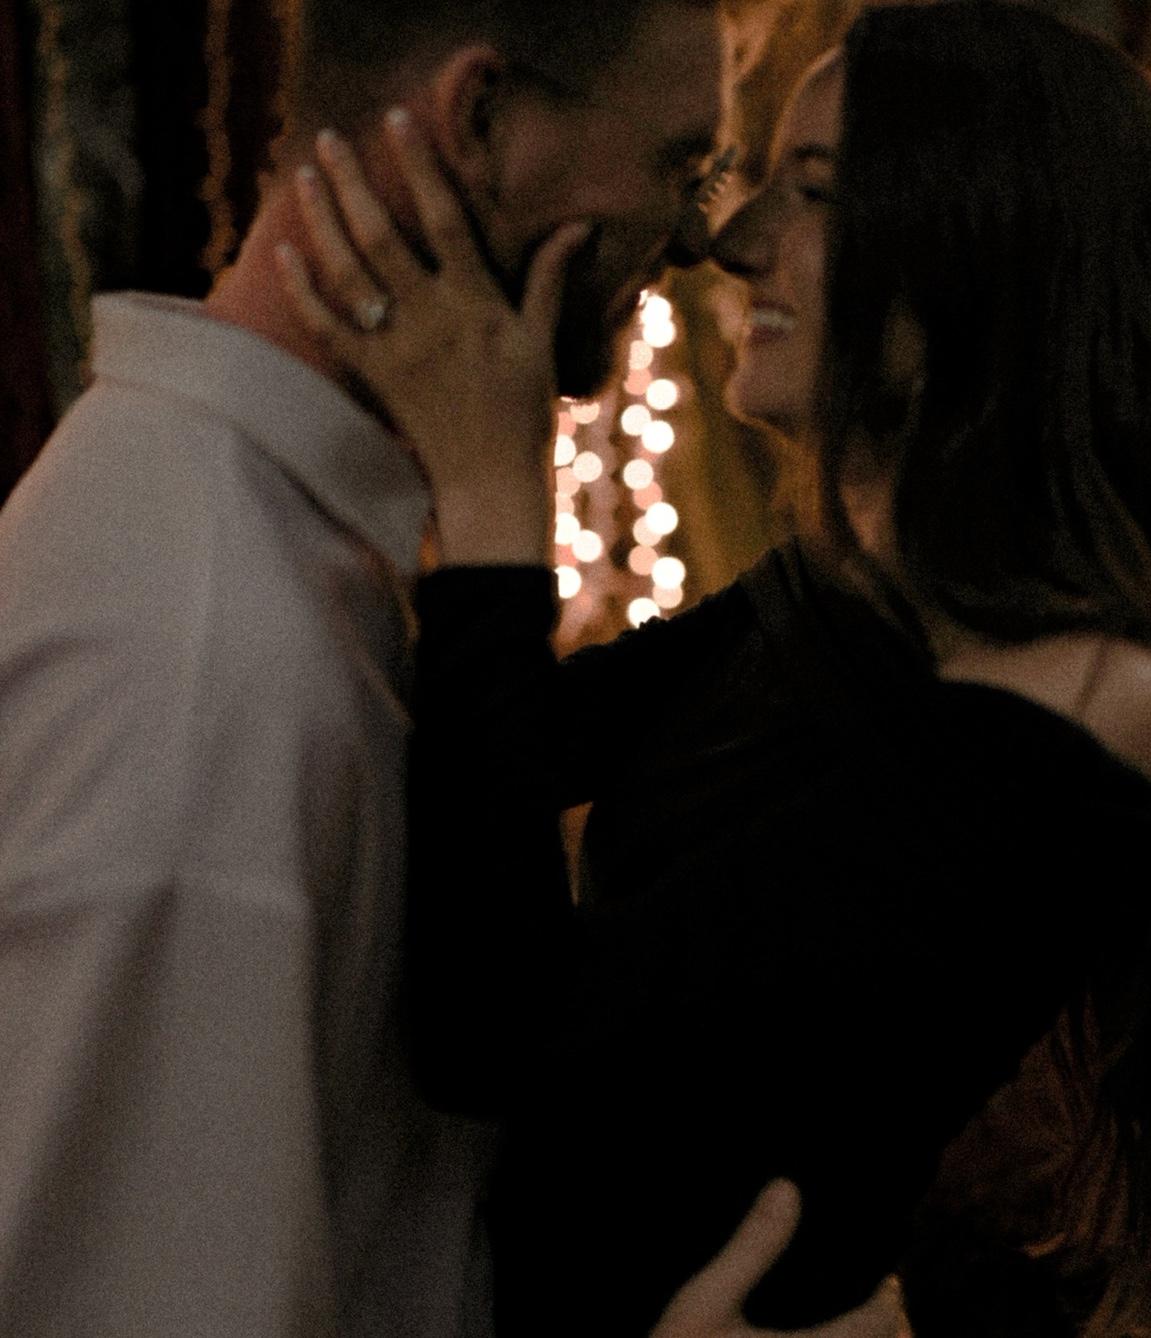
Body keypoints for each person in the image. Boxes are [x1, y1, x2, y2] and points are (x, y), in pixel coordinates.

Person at [281, 3, 1151, 1335]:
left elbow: (496, 1030)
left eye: (812, 191)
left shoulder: (1093, 702)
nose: (734, 243)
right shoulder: (845, 600)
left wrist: (495, 502)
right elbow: (487, 752)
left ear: (985, 244)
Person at [0, 2, 914, 1335]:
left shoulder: (284, 555)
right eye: (678, 163)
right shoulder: (203, 660)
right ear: (480, 119)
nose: (699, 237)